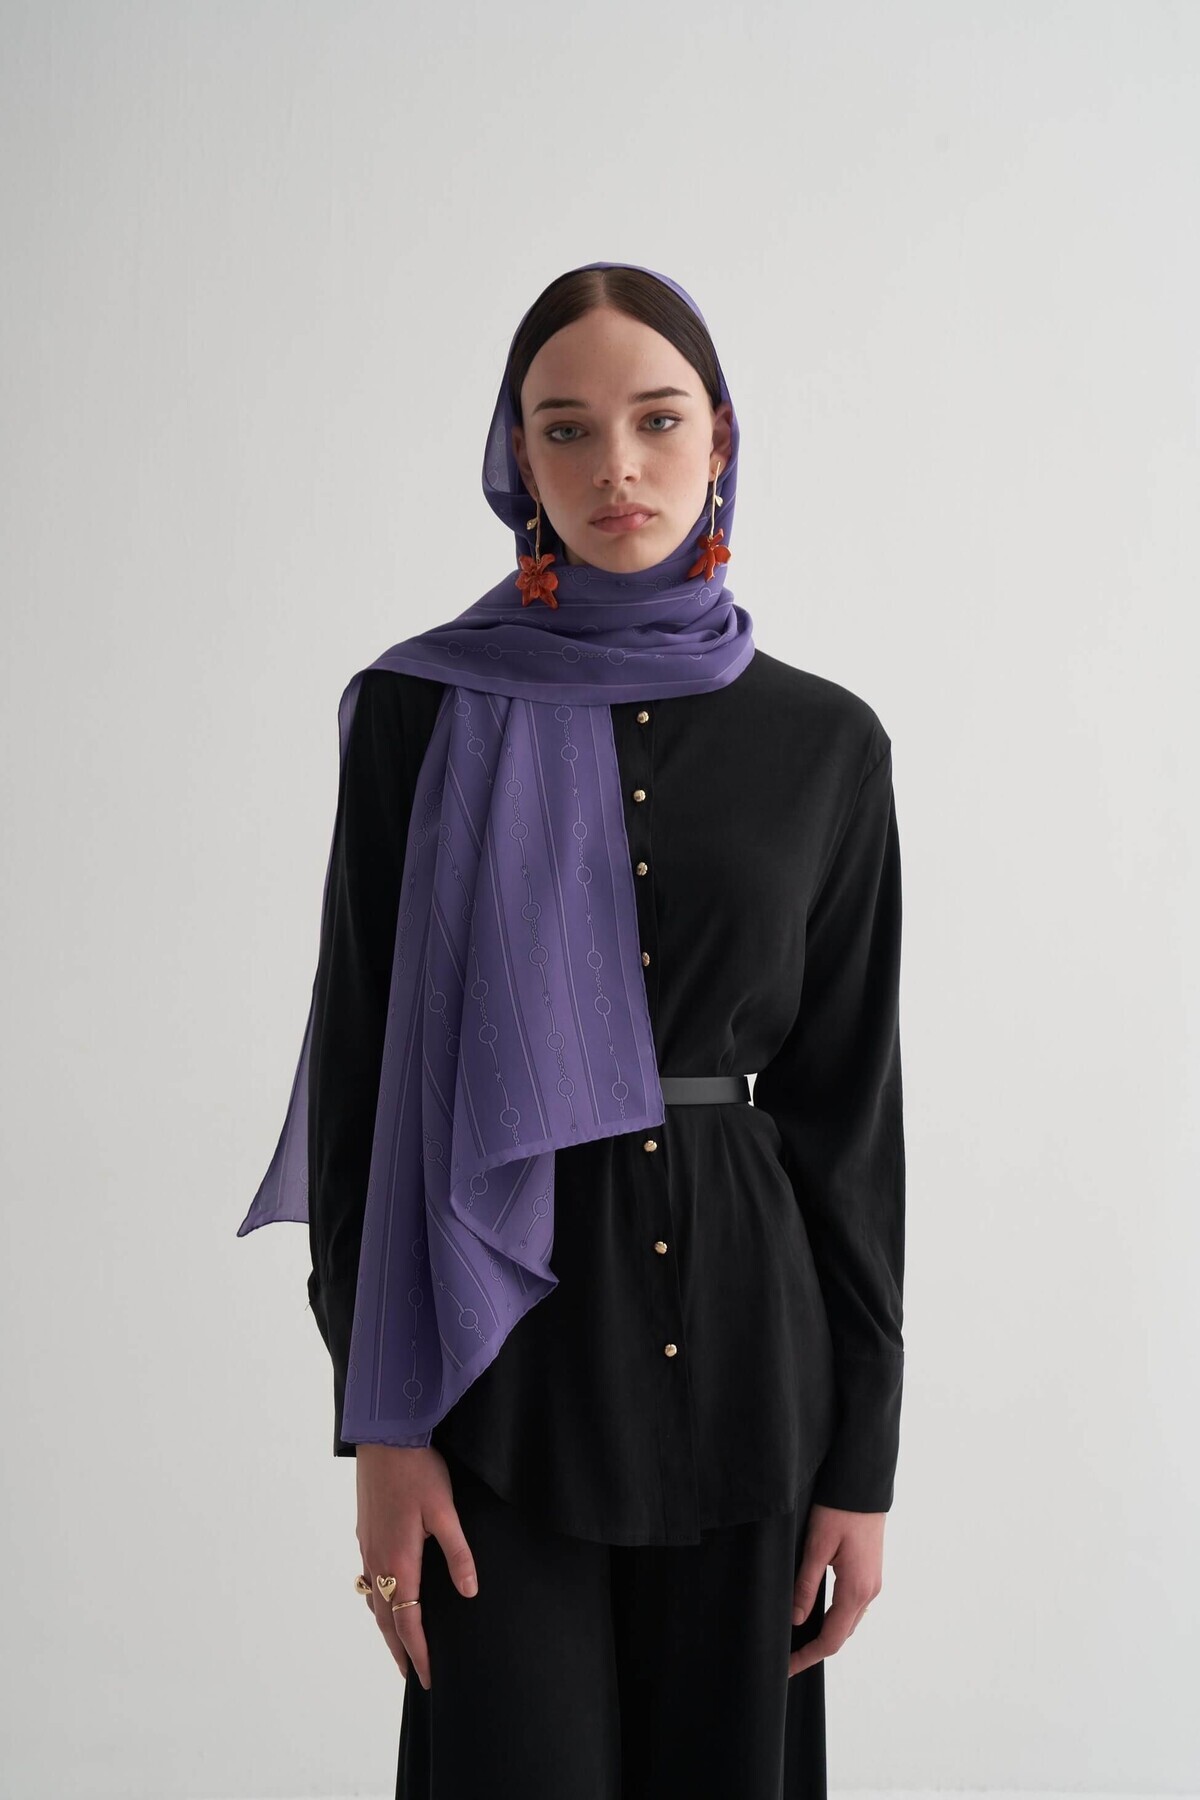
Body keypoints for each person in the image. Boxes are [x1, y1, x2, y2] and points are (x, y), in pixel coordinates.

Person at [238, 260, 906, 1800]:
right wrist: (382, 1424)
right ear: (516, 460)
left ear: (720, 437)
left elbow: (850, 1118)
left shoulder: (827, 743)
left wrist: (863, 1460)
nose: (618, 466)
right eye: (567, 428)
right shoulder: (420, 714)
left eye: (658, 420)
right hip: (500, 1376)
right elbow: (366, 1089)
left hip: (753, 1372)